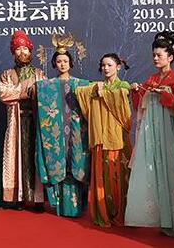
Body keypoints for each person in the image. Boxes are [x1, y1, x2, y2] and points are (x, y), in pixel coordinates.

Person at [126, 31, 174, 237]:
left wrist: (165, 95)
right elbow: (140, 106)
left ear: (170, 57)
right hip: (154, 134)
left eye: (159, 55)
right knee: (157, 173)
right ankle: (163, 221)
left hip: (172, 134)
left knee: (173, 173)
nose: (155, 58)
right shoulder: (151, 79)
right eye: (154, 55)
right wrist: (137, 92)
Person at [35, 33, 90, 217]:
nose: (62, 64)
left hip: (76, 129)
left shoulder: (81, 84)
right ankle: (60, 205)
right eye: (59, 61)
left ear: (71, 63)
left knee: (76, 159)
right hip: (57, 130)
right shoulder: (46, 86)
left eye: (65, 61)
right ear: (54, 63)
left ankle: (76, 205)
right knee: (59, 160)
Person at [74, 53, 132, 227]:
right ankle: (104, 213)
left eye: (109, 65)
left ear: (118, 67)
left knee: (119, 176)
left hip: (117, 137)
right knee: (102, 177)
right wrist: (95, 89)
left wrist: (102, 92)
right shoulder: (96, 86)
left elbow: (122, 93)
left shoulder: (123, 86)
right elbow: (79, 91)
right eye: (103, 65)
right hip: (100, 137)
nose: (105, 68)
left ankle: (122, 213)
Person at [0, 30, 45, 209]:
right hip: (16, 121)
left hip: (36, 121)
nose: (22, 52)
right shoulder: (7, 74)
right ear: (13, 52)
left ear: (30, 51)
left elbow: (45, 93)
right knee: (18, 157)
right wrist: (26, 92)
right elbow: (3, 93)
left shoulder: (39, 73)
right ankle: (18, 197)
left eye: (25, 48)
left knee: (35, 157)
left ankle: (38, 198)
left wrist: (30, 92)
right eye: (18, 49)